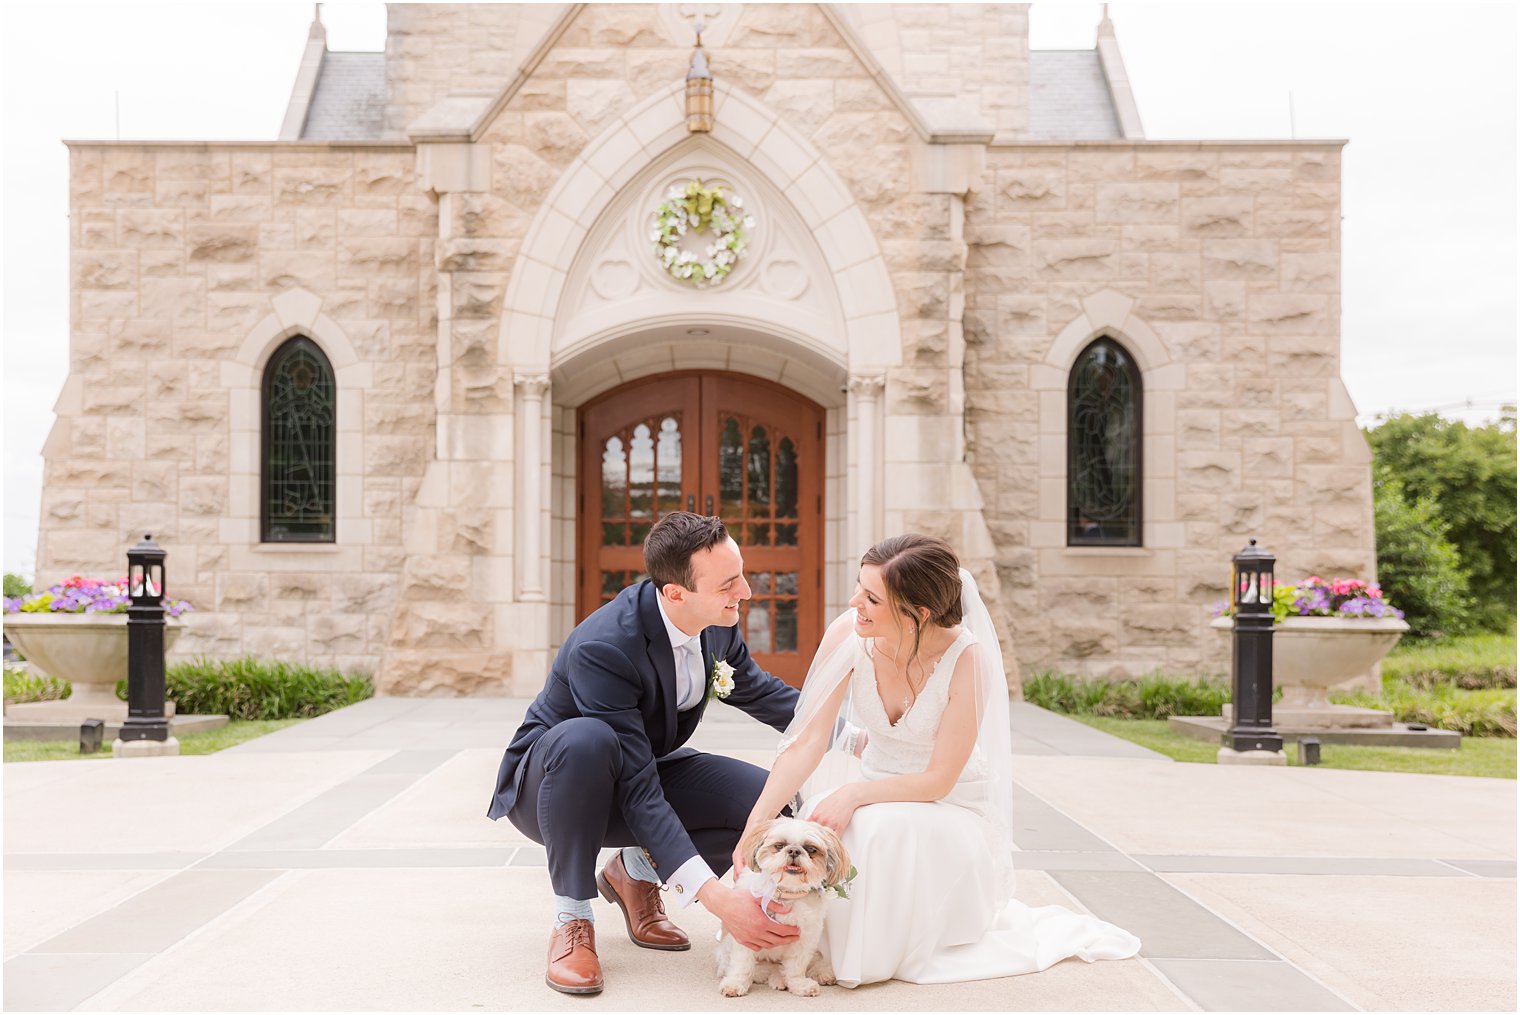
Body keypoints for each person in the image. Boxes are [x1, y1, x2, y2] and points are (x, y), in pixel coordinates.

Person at [737, 534, 1141, 986]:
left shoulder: (968, 660)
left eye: (871, 597)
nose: (855, 603)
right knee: (818, 822)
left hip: (948, 804)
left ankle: (864, 958)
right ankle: (808, 946)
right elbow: (809, 742)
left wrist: (854, 792)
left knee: (874, 832)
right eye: (858, 588)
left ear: (918, 614)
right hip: (878, 786)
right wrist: (757, 826)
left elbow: (939, 780)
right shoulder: (848, 634)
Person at [486, 512, 803, 995]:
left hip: (641, 770)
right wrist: (717, 898)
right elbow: (637, 789)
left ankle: (633, 874)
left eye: (741, 573)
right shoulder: (605, 646)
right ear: (676, 593)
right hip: (555, 787)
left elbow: (762, 693)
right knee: (586, 739)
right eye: (728, 584)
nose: (746, 592)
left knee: (771, 812)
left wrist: (864, 735)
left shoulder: (716, 620)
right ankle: (572, 917)